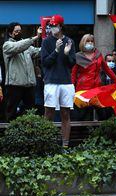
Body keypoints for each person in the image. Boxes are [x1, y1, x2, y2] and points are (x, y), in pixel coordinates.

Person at [41, 14, 76, 148]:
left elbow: (72, 63)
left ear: (61, 26)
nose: (52, 28)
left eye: (54, 25)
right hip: (51, 81)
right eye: (50, 25)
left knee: (65, 113)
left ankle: (65, 145)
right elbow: (45, 62)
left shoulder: (69, 41)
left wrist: (67, 54)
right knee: (48, 112)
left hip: (66, 82)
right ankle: (46, 143)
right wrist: (56, 51)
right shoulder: (46, 42)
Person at [71, 34, 116, 121]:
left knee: (103, 114)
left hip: (96, 88)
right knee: (82, 115)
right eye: (88, 41)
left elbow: (107, 69)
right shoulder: (78, 56)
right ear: (83, 43)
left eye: (92, 41)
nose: (90, 43)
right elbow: (73, 74)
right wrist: (71, 88)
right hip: (83, 90)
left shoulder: (98, 55)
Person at [2, 22, 42, 121]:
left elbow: (39, 51)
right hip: (14, 84)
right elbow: (18, 47)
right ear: (10, 33)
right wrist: (36, 37)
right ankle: (9, 133)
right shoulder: (7, 45)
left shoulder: (26, 45)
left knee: (31, 111)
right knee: (11, 111)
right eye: (16, 31)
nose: (19, 33)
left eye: (20, 31)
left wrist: (52, 44)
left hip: (29, 85)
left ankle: (28, 133)